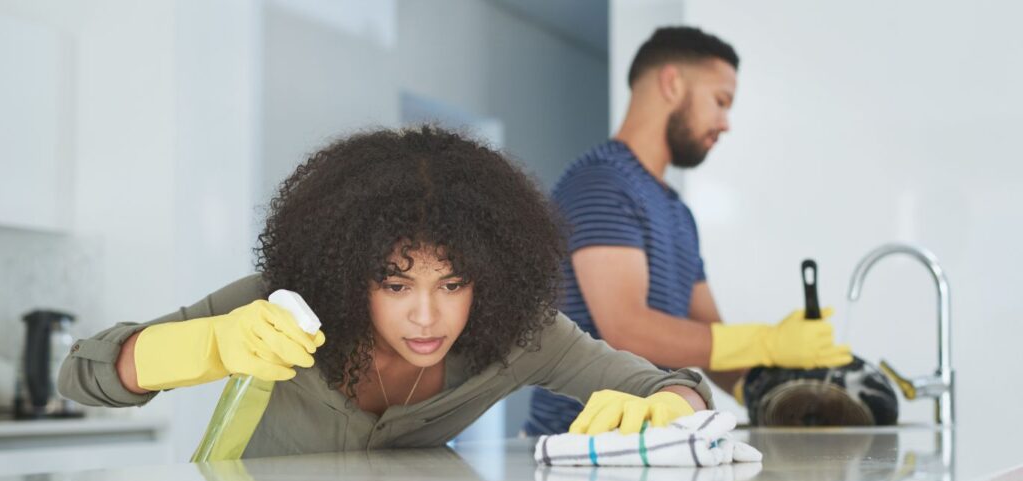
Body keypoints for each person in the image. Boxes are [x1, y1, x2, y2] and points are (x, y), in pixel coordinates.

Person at [59, 126, 714, 457]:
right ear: (348, 270)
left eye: (452, 283)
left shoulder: (519, 334)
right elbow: (77, 375)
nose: (427, 314)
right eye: (395, 283)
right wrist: (199, 345)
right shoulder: (279, 306)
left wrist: (672, 406)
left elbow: (674, 384)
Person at [524, 26, 852, 435]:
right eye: (721, 101)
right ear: (673, 83)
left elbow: (712, 346)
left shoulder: (677, 212)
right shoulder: (602, 182)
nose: (726, 123)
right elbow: (627, 329)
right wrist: (765, 340)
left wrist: (793, 383)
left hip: (651, 445)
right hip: (576, 449)